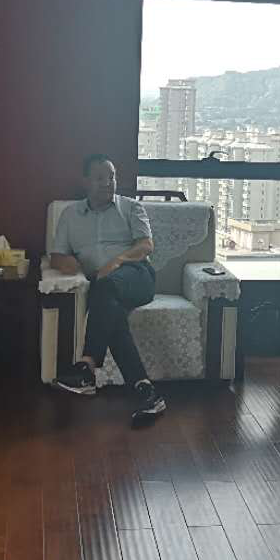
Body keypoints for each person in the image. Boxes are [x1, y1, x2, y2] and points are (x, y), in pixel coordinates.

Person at [50, 154, 167, 426]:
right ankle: (146, 391)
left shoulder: (131, 207)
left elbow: (146, 246)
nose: (108, 183)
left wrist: (116, 262)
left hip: (136, 276)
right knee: (112, 312)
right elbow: (57, 256)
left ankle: (87, 367)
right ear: (86, 181)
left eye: (111, 177)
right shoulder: (70, 215)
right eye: (100, 178)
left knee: (107, 286)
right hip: (102, 288)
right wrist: (75, 266)